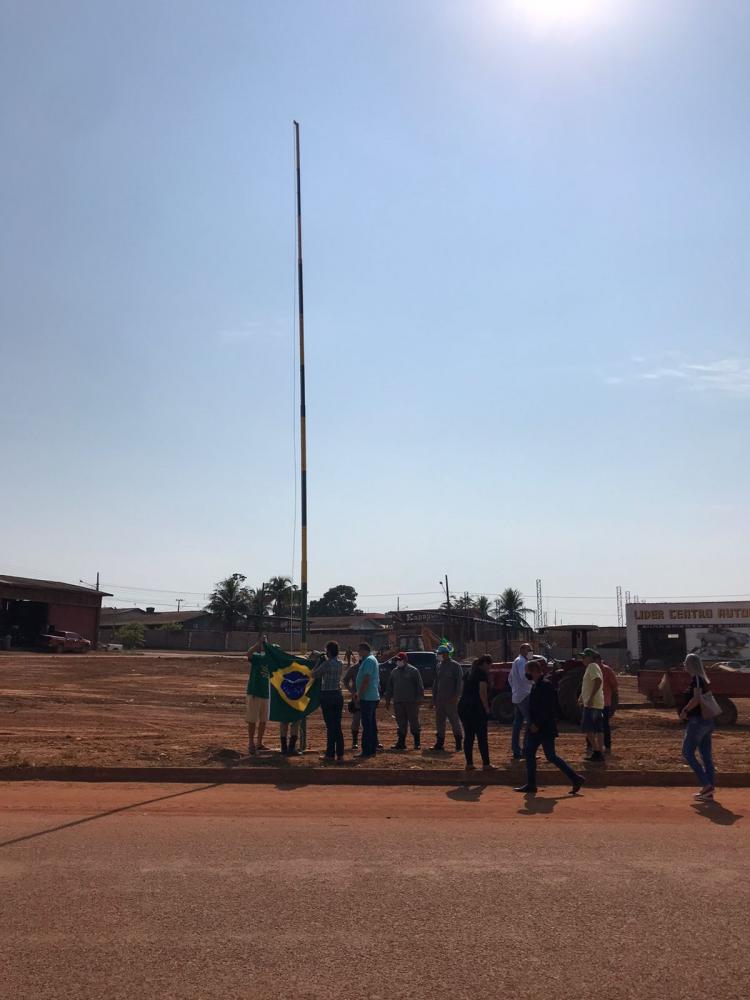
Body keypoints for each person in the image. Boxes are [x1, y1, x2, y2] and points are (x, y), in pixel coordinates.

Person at [514, 656, 585, 795]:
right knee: (533, 754)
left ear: (534, 671)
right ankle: (532, 784)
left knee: (549, 756)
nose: (526, 674)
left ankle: (574, 778)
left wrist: (536, 724)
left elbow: (547, 708)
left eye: (527, 671)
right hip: (537, 727)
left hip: (543, 728)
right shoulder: (536, 685)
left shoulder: (545, 685)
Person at [679, 653, 716, 801]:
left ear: (690, 664)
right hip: (707, 722)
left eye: (685, 662)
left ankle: (706, 785)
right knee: (706, 756)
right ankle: (709, 791)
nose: (684, 664)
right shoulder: (702, 679)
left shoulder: (696, 680)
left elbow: (696, 698)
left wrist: (685, 710)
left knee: (687, 752)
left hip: (697, 721)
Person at [457, 655, 492, 770]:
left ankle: (469, 764)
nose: (490, 668)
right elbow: (482, 692)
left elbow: (461, 690)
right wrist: (486, 708)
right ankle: (486, 764)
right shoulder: (482, 674)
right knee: (482, 737)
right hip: (476, 708)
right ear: (484, 663)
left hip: (463, 706)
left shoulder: (468, 673)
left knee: (469, 736)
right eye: (489, 665)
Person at [385, 652, 424, 750]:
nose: (398, 662)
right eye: (397, 660)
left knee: (414, 722)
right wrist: (388, 700)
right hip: (398, 702)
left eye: (400, 660)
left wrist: (419, 700)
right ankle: (401, 743)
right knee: (401, 723)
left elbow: (419, 687)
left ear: (405, 660)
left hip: (411, 702)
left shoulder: (413, 671)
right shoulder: (394, 672)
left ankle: (417, 742)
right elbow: (390, 687)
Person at [313, 641, 345, 761]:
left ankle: (330, 754)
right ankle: (340, 753)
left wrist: (317, 662)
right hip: (338, 695)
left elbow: (314, 674)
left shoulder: (326, 664)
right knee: (337, 726)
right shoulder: (340, 663)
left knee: (330, 727)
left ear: (329, 651)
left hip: (327, 696)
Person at [431, 644, 464, 752]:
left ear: (446, 654)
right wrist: (433, 698)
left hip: (451, 699)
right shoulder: (439, 665)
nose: (438, 655)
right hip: (440, 699)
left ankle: (458, 743)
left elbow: (459, 683)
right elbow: (436, 683)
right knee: (439, 721)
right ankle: (439, 743)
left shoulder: (455, 666)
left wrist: (456, 696)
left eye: (440, 653)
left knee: (454, 721)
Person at [353, 641, 380, 758]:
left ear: (364, 650)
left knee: (367, 725)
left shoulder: (368, 660)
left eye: (359, 650)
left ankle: (367, 750)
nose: (358, 653)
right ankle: (372, 748)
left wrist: (359, 695)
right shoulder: (370, 659)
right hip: (371, 696)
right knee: (371, 724)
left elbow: (366, 680)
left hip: (367, 697)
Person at [245, 635, 270, 755]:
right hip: (254, 692)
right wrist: (257, 644)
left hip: (266, 693)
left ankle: (259, 743)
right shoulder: (257, 657)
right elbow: (248, 654)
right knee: (252, 720)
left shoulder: (271, 659)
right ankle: (251, 742)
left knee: (263, 720)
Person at [579, 648, 605, 763]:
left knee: (589, 729)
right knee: (598, 729)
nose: (582, 659)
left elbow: (598, 681)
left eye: (584, 657)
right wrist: (581, 696)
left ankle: (597, 751)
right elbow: (588, 685)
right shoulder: (593, 667)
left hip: (592, 704)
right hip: (596, 703)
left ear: (589, 657)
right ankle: (599, 752)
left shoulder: (592, 666)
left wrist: (589, 699)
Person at [509, 642, 533, 759]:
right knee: (530, 723)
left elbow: (510, 679)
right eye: (529, 650)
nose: (530, 652)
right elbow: (525, 677)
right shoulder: (522, 662)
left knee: (517, 725)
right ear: (522, 650)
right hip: (524, 695)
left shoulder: (516, 661)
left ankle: (516, 750)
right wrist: (534, 682)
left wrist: (515, 689)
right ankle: (526, 750)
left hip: (517, 696)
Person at [597, 653, 619, 754]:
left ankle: (607, 745)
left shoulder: (607, 670)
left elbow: (614, 686)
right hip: (596, 703)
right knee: (593, 725)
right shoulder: (592, 670)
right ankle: (592, 745)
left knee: (604, 725)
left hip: (604, 703)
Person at [343, 650, 361, 750]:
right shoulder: (354, 668)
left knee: (370, 721)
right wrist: (352, 691)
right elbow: (345, 680)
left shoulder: (371, 667)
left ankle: (375, 741)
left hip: (369, 698)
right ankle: (355, 741)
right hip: (357, 699)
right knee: (356, 720)